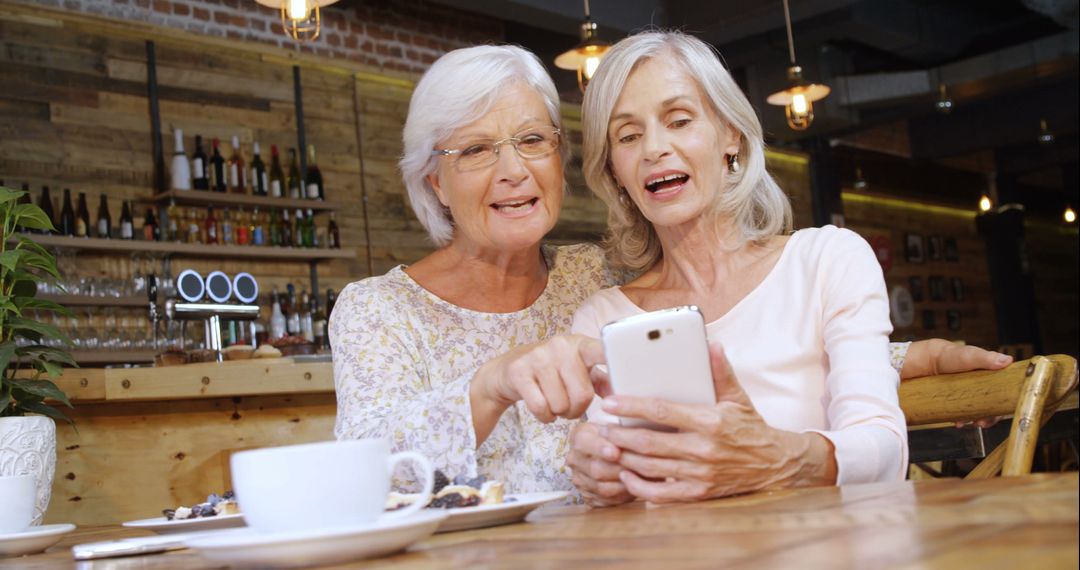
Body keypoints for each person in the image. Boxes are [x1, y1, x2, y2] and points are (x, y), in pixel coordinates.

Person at [330, 43, 1011, 495]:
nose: (514, 170)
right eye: (476, 149)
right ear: (434, 181)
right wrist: (491, 388)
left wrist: (895, 356)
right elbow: (360, 478)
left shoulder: (590, 280)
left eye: (532, 140)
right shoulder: (379, 311)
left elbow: (733, 338)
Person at [565, 30, 1009, 507]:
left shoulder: (827, 260)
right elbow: (621, 492)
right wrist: (600, 480)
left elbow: (883, 450)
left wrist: (778, 457)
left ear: (730, 136)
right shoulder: (602, 318)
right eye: (628, 135)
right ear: (614, 171)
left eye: (678, 120)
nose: (654, 148)